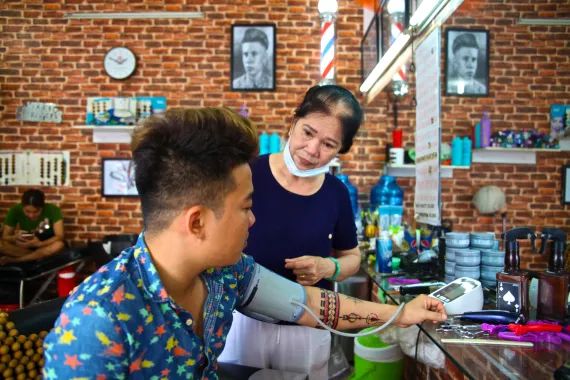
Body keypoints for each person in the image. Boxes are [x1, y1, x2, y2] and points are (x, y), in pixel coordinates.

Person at [43, 107, 446, 379]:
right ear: (197, 221)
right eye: (246, 207)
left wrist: (401, 314)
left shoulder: (224, 273)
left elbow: (310, 304)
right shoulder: (96, 323)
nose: (254, 219)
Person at [219, 85, 364, 378]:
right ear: (293, 120)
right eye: (308, 133)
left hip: (308, 326)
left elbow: (352, 258)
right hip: (242, 319)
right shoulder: (248, 172)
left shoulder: (336, 193)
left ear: (341, 149)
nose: (312, 150)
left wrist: (329, 266)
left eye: (328, 144)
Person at [0, 189, 66, 265]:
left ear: (42, 206)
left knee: (59, 245)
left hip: (46, 244)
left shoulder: (53, 210)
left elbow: (60, 236)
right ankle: (38, 256)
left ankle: (17, 260)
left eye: (36, 212)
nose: (31, 215)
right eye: (27, 211)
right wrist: (15, 237)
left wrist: (39, 244)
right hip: (25, 246)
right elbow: (5, 237)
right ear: (22, 206)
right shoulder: (15, 210)